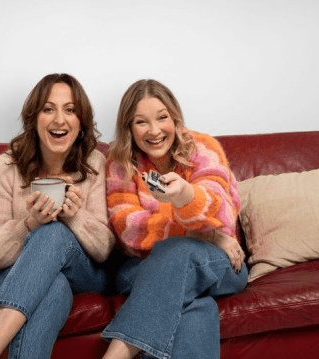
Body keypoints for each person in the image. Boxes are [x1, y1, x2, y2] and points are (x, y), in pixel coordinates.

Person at [0, 73, 115, 359]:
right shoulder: (6, 166)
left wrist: (74, 218)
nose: (59, 120)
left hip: (82, 271)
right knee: (54, 288)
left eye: (70, 110)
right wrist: (28, 223)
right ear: (34, 119)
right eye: (48, 109)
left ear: (81, 122)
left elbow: (104, 250)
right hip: (10, 269)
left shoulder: (95, 163)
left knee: (54, 232)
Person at [101, 79, 248, 359]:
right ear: (129, 128)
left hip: (221, 262)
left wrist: (185, 196)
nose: (154, 131)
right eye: (141, 122)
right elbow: (130, 229)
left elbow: (221, 212)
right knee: (192, 304)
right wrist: (205, 235)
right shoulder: (120, 162)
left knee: (176, 255)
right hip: (143, 264)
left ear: (175, 118)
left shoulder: (203, 148)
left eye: (162, 118)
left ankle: (117, 354)